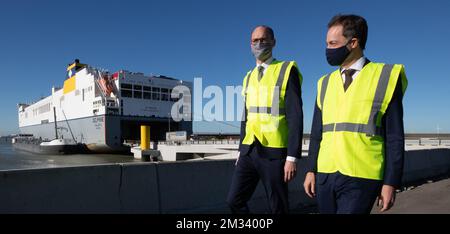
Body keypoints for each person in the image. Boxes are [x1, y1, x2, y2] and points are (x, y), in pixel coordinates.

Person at [303, 14, 408, 214]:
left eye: (333, 43)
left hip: (362, 176)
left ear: (353, 43)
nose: (328, 49)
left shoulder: (385, 76)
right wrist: (310, 170)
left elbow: (395, 137)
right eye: (326, 44)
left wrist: (391, 182)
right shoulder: (324, 83)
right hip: (325, 174)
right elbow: (317, 133)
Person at [226, 25, 303, 214]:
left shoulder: (286, 70)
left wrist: (292, 157)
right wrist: (240, 150)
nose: (259, 44)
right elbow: (246, 116)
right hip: (248, 150)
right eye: (255, 40)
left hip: (274, 153)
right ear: (250, 44)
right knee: (234, 201)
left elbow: (295, 116)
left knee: (278, 206)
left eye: (263, 39)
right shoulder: (248, 77)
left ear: (273, 42)